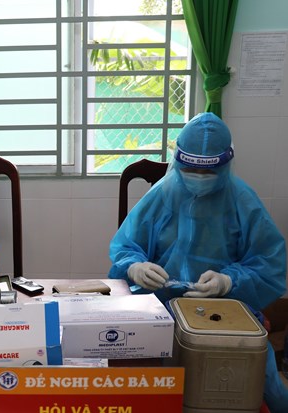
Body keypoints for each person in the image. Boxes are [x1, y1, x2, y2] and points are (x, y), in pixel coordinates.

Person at [108, 112, 288, 412]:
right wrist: (135, 267)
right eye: (191, 169)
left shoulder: (243, 202)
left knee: (263, 379)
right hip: (160, 307)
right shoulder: (162, 194)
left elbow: (271, 265)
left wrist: (229, 281)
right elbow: (126, 246)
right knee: (139, 380)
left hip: (226, 310)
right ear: (179, 161)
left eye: (209, 172)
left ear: (226, 164)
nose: (199, 179)